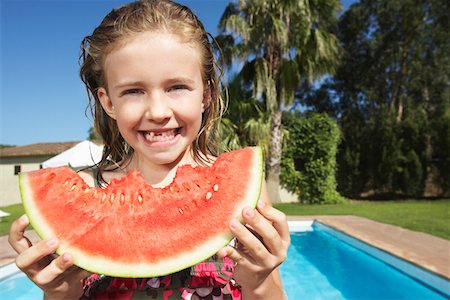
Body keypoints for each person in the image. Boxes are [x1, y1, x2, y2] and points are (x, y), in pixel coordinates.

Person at [8, 0, 290, 299]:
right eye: (133, 91)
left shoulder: (247, 194)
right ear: (108, 103)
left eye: (176, 87)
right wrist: (60, 294)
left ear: (205, 96)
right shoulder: (88, 188)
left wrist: (260, 282)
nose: (157, 111)